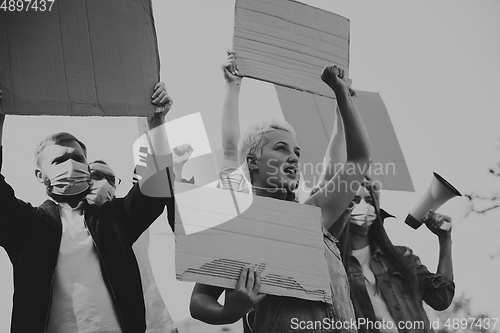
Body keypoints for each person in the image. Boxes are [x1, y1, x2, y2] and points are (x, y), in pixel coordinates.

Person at [190, 54, 373, 333]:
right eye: (281, 148)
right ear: (252, 161)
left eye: (297, 153)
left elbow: (358, 160)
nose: (293, 158)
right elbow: (198, 300)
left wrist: (341, 95)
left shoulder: (312, 216)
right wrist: (229, 311)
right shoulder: (237, 220)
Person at [0, 83, 175, 333]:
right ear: (40, 175)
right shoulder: (26, 225)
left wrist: (157, 122)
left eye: (78, 158)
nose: (70, 165)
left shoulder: (116, 219)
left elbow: (157, 187)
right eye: (59, 160)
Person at [336, 179, 455, 333]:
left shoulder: (402, 257)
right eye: (355, 200)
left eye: (370, 200)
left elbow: (441, 298)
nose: (364, 207)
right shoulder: (334, 265)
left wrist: (445, 239)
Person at [87, 159, 179, 333]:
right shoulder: (67, 227)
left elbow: (151, 177)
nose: (104, 183)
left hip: (156, 322)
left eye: (111, 179)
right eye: (96, 175)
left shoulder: (127, 214)